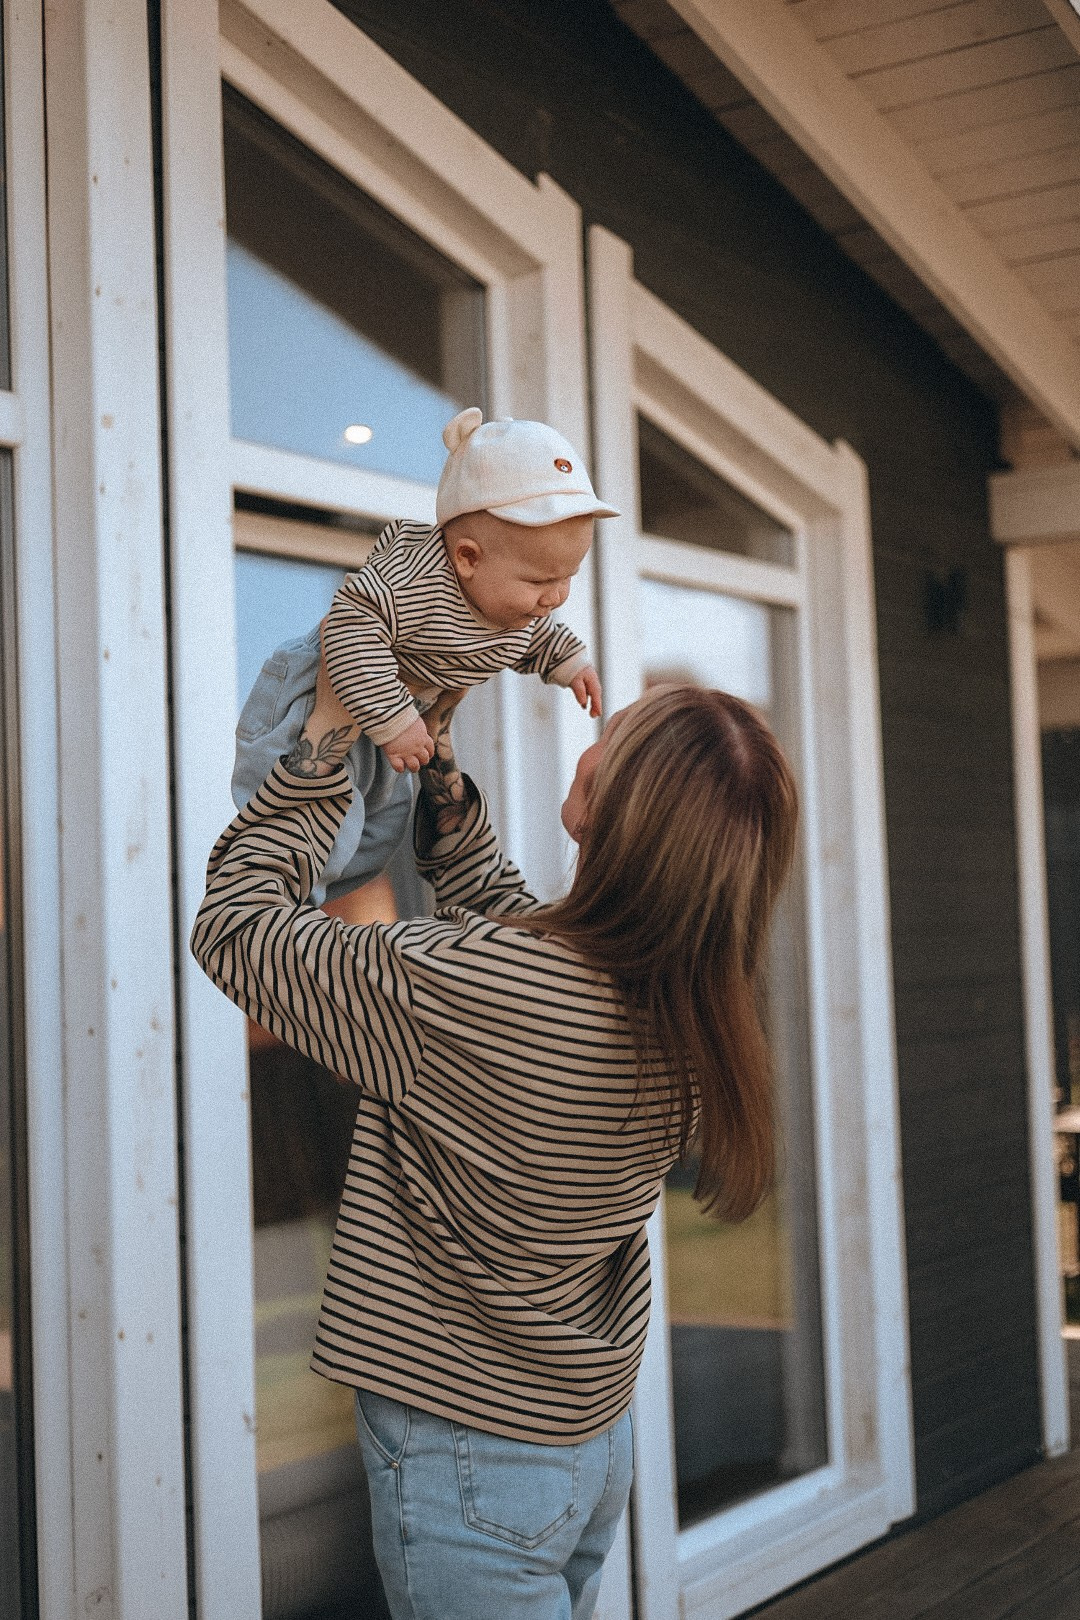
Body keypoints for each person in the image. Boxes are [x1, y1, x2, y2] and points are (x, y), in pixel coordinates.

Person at [192, 657, 799, 1619]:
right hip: (581, 1447)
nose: (592, 744)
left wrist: (322, 747)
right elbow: (521, 941)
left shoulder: (483, 988)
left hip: (468, 1459)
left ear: (611, 807)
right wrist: (440, 785)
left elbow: (233, 930)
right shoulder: (692, 1007)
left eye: (616, 739)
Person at [231, 408, 617, 903]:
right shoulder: (417, 580)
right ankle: (278, 911)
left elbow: (538, 638)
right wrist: (393, 720)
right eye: (542, 580)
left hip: (403, 718)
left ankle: (315, 905)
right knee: (308, 822)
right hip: (322, 696)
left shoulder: (513, 609)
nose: (557, 596)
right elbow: (350, 628)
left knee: (380, 830)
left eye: (568, 577)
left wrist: (572, 665)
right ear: (468, 558)